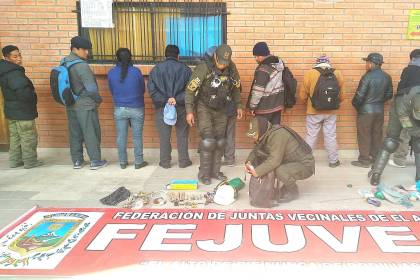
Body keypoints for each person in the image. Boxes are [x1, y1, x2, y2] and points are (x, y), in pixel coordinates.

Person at [185, 44, 243, 185]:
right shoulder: (203, 67)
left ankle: (216, 171)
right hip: (204, 107)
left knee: (220, 141)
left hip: (222, 108)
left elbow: (236, 88)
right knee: (208, 141)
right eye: (220, 63)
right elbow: (190, 90)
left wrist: (239, 105)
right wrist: (189, 111)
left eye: (225, 63)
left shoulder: (231, 68)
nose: (223, 66)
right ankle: (204, 173)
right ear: (215, 57)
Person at [370, 49, 420, 185]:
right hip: (416, 110)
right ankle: (419, 178)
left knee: (391, 140)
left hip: (400, 107)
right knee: (418, 141)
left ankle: (376, 174)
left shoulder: (408, 70)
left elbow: (400, 94)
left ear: (412, 58)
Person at [245, 117, 315, 203]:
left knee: (279, 170)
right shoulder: (265, 134)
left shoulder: (278, 135)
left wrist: (257, 172)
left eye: (254, 134)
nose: (253, 137)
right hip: (291, 161)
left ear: (261, 130)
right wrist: (249, 162)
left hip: (305, 165)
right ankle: (285, 184)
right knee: (262, 160)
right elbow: (256, 150)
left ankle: (293, 191)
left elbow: (275, 161)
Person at [63, 36, 107, 170]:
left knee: (75, 132)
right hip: (85, 105)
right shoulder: (81, 66)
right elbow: (91, 88)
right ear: (75, 48)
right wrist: (98, 100)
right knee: (90, 132)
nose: (87, 53)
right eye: (85, 50)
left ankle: (77, 160)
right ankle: (95, 161)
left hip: (70, 103)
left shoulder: (64, 62)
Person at [148, 45, 192, 169]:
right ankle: (183, 161)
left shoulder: (156, 69)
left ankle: (165, 162)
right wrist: (176, 99)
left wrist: (166, 100)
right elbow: (191, 90)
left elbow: (152, 90)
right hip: (181, 107)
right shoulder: (186, 70)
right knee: (182, 135)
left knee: (164, 136)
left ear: (165, 55)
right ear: (178, 56)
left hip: (162, 107)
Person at [0, 45, 42, 169]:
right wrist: (33, 99)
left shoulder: (4, 71)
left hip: (12, 110)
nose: (19, 58)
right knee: (28, 136)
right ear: (6, 58)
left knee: (15, 137)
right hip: (22, 110)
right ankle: (30, 162)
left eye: (19, 55)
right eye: (15, 56)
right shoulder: (14, 73)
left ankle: (15, 161)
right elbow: (23, 91)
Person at [299, 55, 345, 168]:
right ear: (328, 63)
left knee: (311, 135)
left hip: (313, 110)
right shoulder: (337, 73)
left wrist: (307, 104)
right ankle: (333, 161)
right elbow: (342, 95)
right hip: (331, 111)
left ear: (317, 63)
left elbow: (302, 94)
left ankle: (305, 161)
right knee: (330, 135)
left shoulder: (310, 73)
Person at [351, 53, 393, 168]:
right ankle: (375, 159)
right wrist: (379, 102)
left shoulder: (367, 77)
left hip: (365, 111)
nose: (366, 65)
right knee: (377, 135)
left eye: (367, 62)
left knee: (364, 135)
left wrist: (357, 106)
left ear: (371, 63)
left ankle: (364, 160)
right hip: (379, 110)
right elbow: (389, 94)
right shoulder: (387, 76)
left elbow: (359, 96)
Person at [108, 48, 147, 169]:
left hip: (119, 108)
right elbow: (142, 90)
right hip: (136, 107)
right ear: (130, 57)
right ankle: (138, 162)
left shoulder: (111, 72)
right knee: (137, 136)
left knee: (121, 136)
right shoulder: (136, 72)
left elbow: (111, 90)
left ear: (117, 58)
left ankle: (122, 162)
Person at [247, 42, 284, 125]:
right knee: (274, 133)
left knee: (262, 134)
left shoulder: (263, 69)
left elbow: (258, 91)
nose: (255, 59)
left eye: (257, 56)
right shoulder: (278, 65)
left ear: (263, 54)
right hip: (277, 106)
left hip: (264, 108)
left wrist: (252, 106)